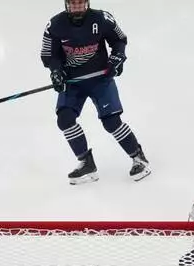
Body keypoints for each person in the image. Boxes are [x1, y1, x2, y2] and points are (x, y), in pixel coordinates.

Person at [41, 0, 150, 184]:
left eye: (80, 3)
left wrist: (117, 58)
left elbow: (119, 39)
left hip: (100, 79)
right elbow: (49, 54)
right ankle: (87, 163)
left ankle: (138, 157)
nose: (77, 7)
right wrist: (56, 71)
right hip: (73, 81)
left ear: (87, 3)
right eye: (73, 4)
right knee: (65, 119)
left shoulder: (102, 18)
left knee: (111, 122)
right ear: (66, 4)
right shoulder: (55, 25)